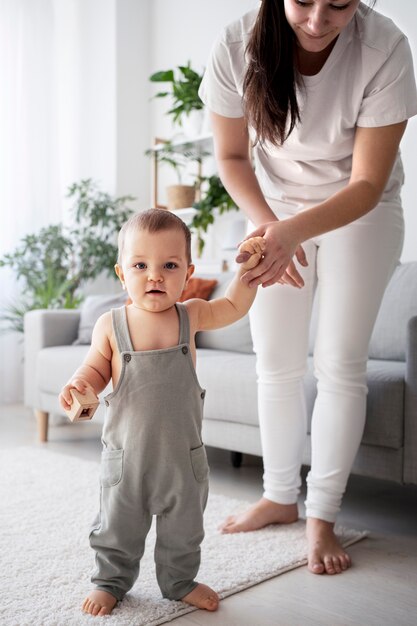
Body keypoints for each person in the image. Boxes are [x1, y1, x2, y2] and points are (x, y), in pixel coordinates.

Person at [200, 0, 417, 575]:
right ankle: (278, 497)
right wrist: (273, 228)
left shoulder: (385, 46)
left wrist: (290, 234)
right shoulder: (237, 42)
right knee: (275, 361)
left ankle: (322, 515)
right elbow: (229, 155)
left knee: (341, 364)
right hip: (272, 207)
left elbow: (369, 182)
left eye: (339, 5)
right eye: (303, 2)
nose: (319, 20)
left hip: (360, 211)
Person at [59, 209, 264, 617]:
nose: (155, 276)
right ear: (122, 273)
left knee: (184, 527)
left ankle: (179, 580)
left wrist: (249, 269)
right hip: (126, 457)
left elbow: (235, 306)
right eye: (141, 265)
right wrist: (80, 385)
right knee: (117, 524)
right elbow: (96, 369)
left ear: (188, 272)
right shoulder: (110, 324)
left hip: (182, 457)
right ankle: (111, 581)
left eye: (169, 266)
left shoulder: (192, 315)